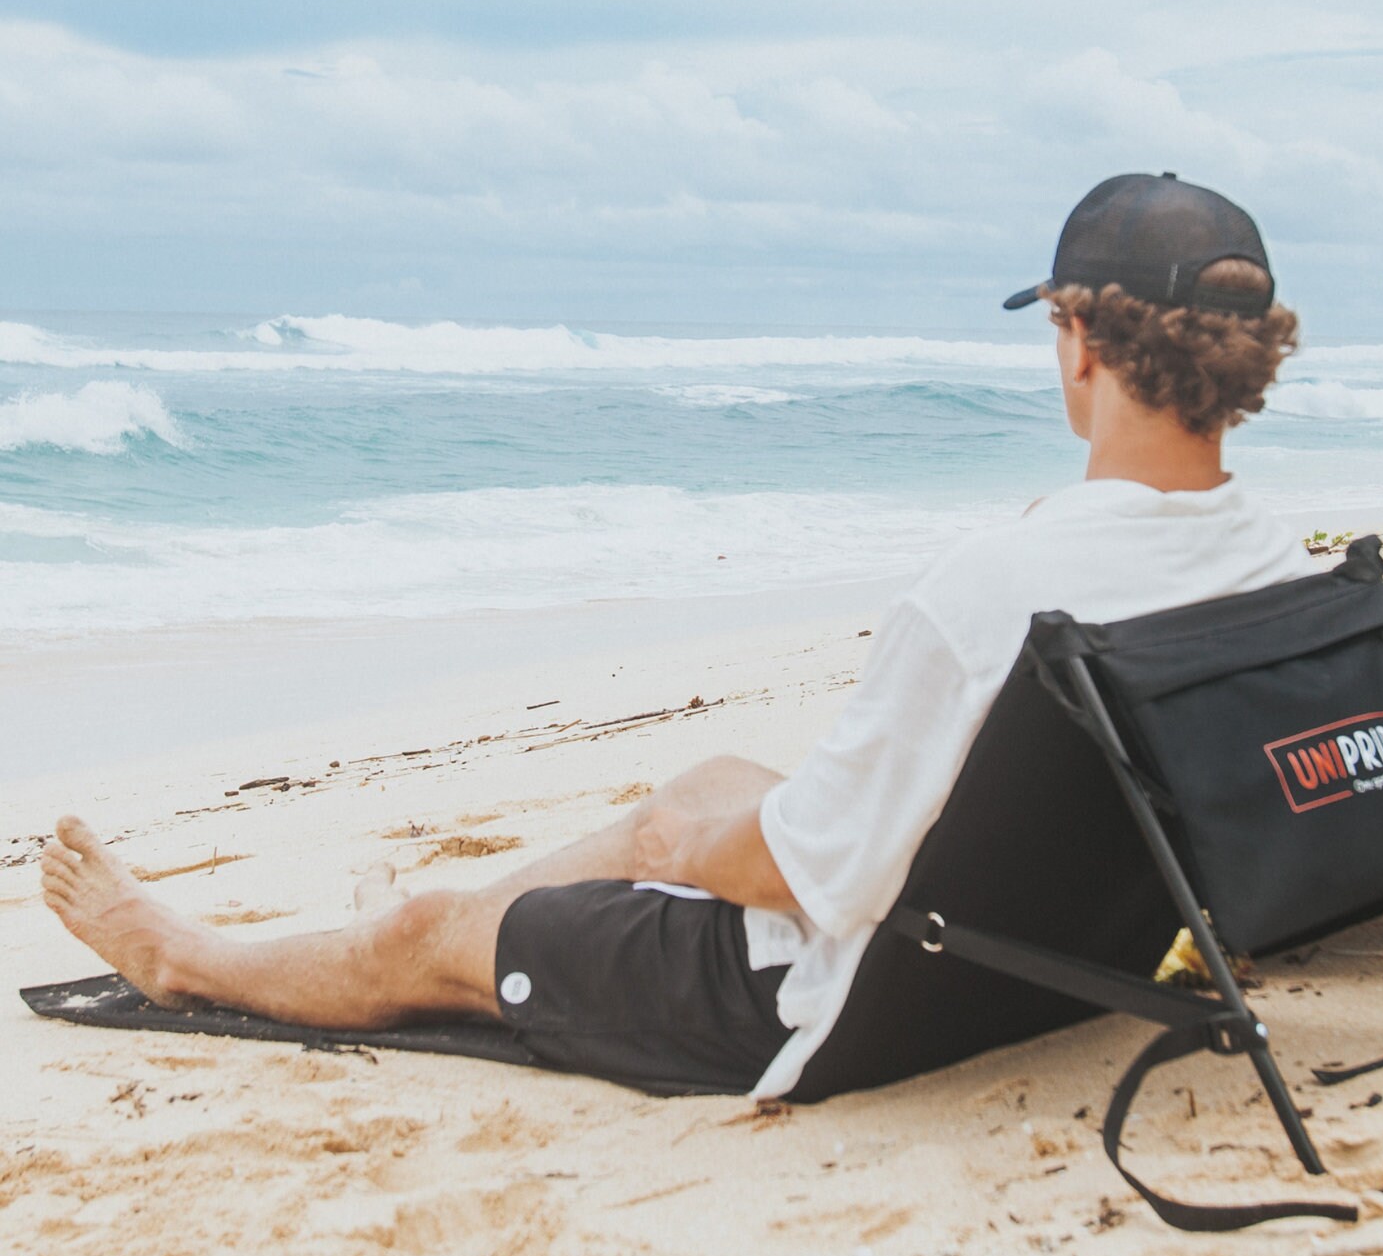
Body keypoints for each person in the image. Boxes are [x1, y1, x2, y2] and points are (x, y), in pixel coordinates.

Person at [40, 174, 1311, 1101]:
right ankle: (497, 912)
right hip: (1055, 952)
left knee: (455, 917)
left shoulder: (996, 583)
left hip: (830, 998)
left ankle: (188, 954)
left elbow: (811, 881)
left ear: (1079, 337)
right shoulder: (1267, 557)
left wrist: (687, 853)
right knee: (700, 786)